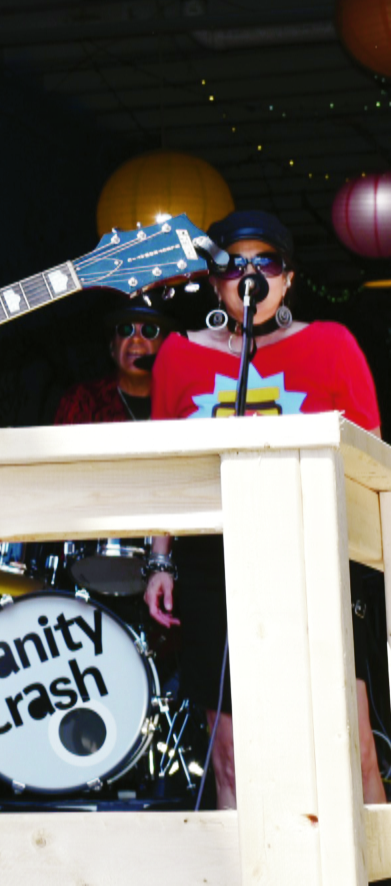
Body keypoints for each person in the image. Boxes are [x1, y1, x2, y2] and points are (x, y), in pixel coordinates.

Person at [142, 209, 383, 809]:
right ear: (214, 281)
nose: (251, 274)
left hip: (314, 549)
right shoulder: (178, 354)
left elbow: (371, 460)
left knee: (350, 748)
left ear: (288, 277)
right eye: (234, 264)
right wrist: (160, 561)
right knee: (229, 754)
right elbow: (162, 466)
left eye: (266, 261)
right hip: (213, 559)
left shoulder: (332, 344)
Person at [53, 298, 175, 426]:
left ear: (165, 346)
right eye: (126, 329)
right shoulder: (81, 400)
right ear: (112, 347)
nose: (136, 339)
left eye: (149, 330)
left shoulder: (182, 400)